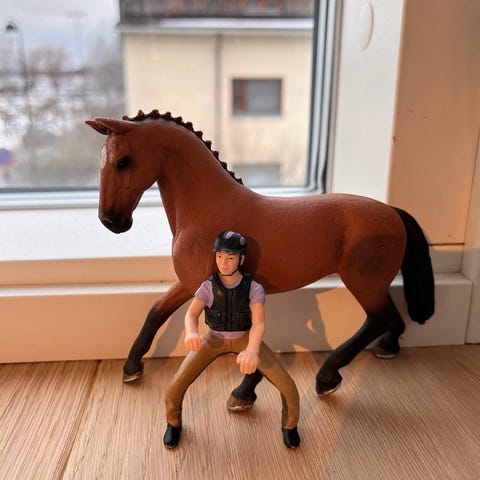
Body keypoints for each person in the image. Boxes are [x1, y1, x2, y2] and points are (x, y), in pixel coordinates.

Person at [163, 231, 300, 449]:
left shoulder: (253, 289)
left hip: (244, 338)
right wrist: (191, 332)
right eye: (219, 257)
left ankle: (290, 426)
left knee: (288, 386)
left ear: (241, 260)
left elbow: (259, 323)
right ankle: (173, 423)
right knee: (176, 384)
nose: (223, 263)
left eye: (230, 258)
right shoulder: (208, 287)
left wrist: (252, 350)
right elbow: (191, 314)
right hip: (213, 338)